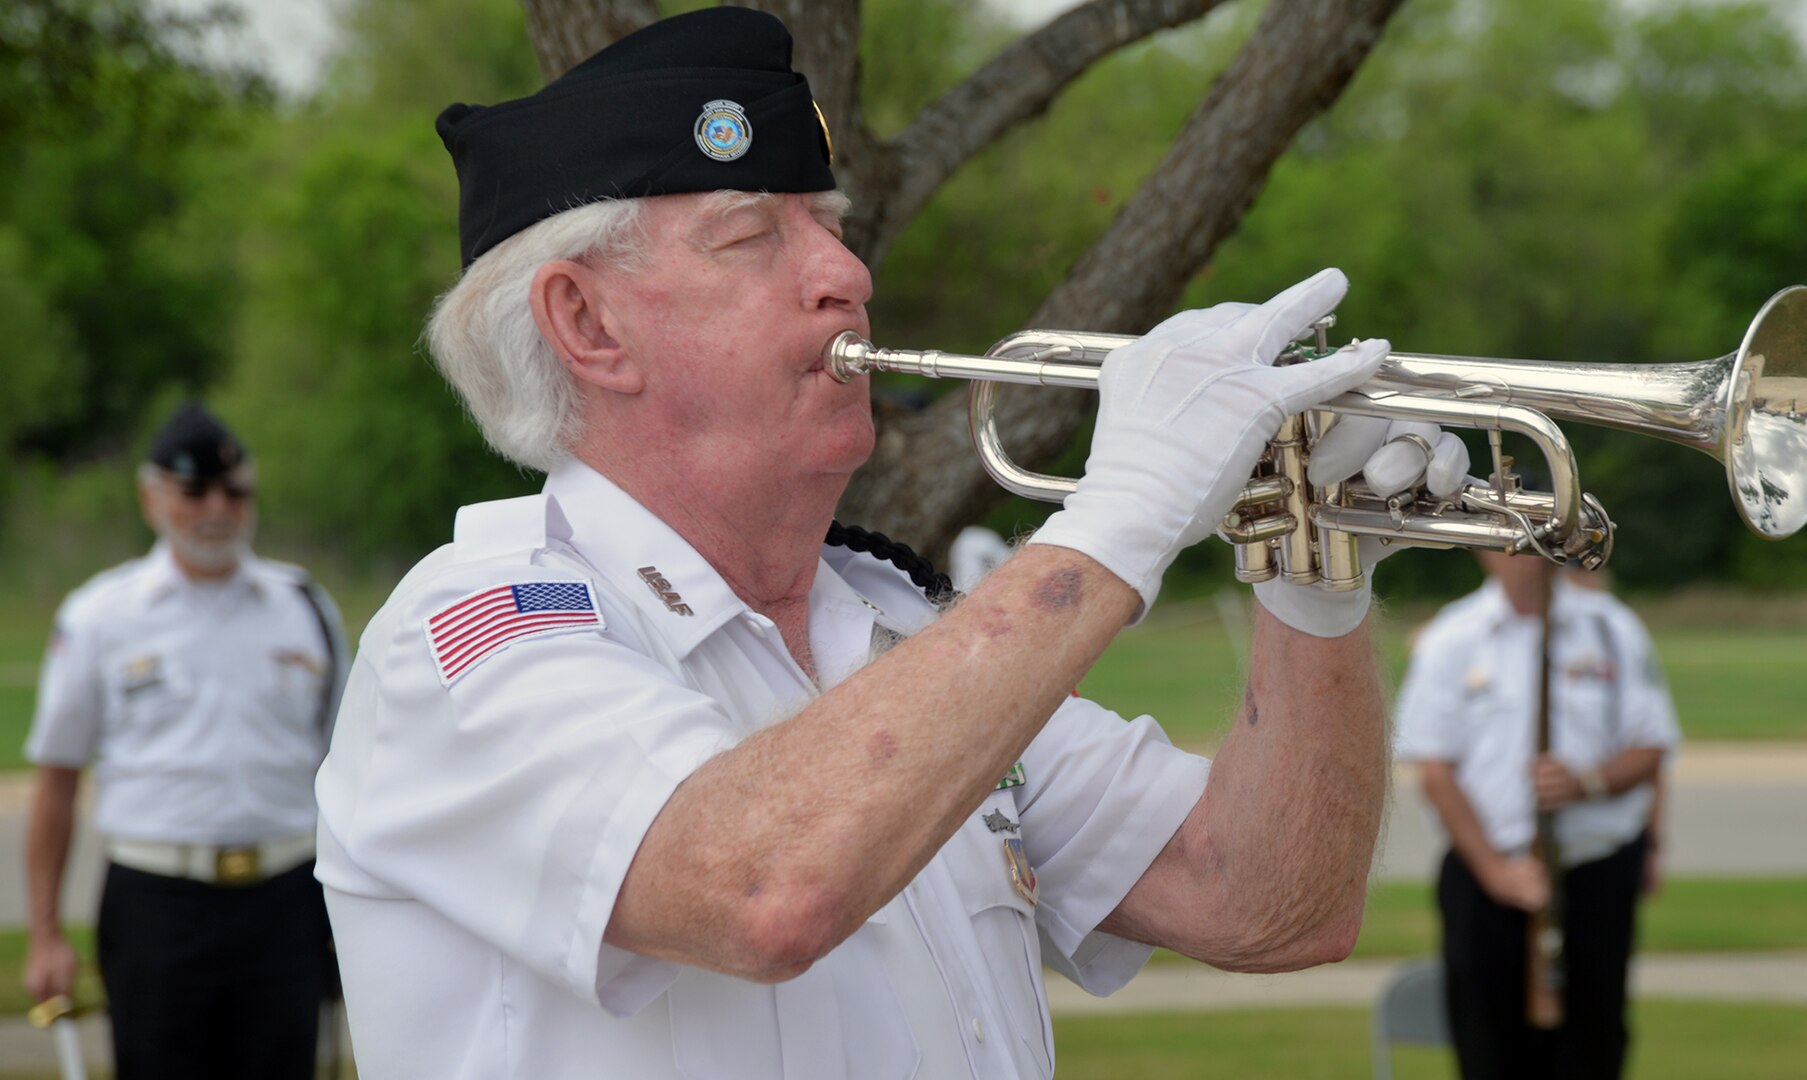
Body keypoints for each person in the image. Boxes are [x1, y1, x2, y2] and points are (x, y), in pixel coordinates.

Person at [314, 9, 1465, 1077]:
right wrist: (1126, 509)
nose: (848, 277)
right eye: (752, 236)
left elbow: (1267, 899)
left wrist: (1309, 574)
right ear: (586, 324)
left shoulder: (898, 632)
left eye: (829, 227)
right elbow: (765, 888)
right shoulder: (467, 635)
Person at [22, 403, 349, 1080]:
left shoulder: (304, 606)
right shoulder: (100, 616)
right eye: (194, 491)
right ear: (150, 498)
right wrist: (47, 934)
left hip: (285, 902)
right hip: (158, 906)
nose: (217, 509)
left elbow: (348, 770)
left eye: (235, 491)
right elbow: (56, 782)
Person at [1394, 547, 1680, 1080]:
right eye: (1511, 542)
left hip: (1593, 868)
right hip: (1488, 874)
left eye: (1538, 541)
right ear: (1483, 550)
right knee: (1489, 1046)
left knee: (1593, 1043)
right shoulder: (1454, 636)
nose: (1526, 558)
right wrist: (1497, 872)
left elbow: (1652, 745)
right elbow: (1435, 770)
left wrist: (1587, 783)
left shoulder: (1610, 627)